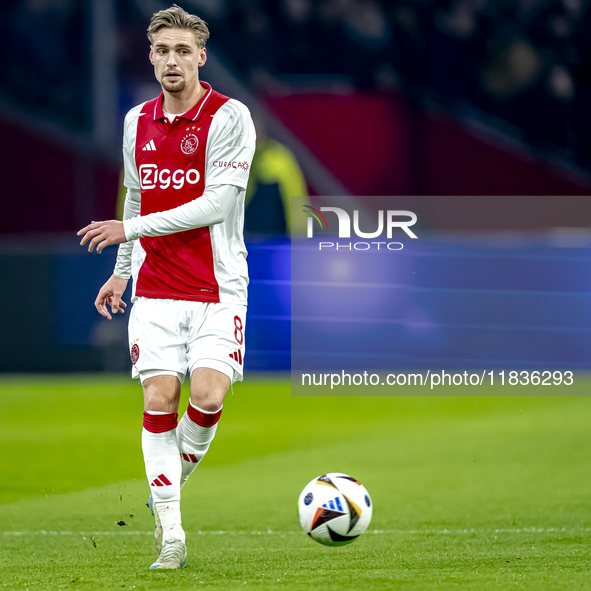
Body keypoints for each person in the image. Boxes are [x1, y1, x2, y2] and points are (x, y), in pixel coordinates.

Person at [77, 4, 255, 570]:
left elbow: (215, 205)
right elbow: (135, 194)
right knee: (159, 401)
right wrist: (122, 268)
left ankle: (163, 489)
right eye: (162, 50)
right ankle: (172, 533)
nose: (171, 60)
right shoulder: (136, 121)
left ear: (201, 57)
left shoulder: (230, 117)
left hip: (217, 287)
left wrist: (127, 230)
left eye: (183, 51)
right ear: (150, 56)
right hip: (154, 292)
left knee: (206, 399)